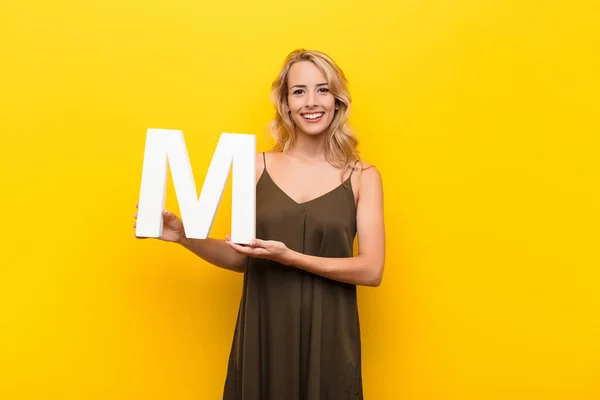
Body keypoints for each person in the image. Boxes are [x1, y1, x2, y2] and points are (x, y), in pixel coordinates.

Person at [134, 49, 385, 400]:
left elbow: (371, 269)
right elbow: (241, 256)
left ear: (338, 100)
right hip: (264, 329)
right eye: (299, 91)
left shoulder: (362, 176)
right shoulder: (253, 167)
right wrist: (184, 237)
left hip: (329, 335)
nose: (311, 102)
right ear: (285, 103)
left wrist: (290, 257)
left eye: (322, 90)